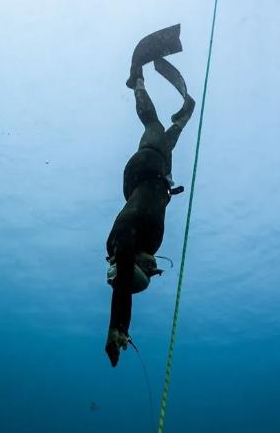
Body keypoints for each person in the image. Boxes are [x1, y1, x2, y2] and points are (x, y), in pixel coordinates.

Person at [104, 54, 196, 367]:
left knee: (152, 124)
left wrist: (117, 326)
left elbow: (124, 281)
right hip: (155, 176)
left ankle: (137, 79)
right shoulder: (135, 243)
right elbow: (126, 274)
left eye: (149, 269)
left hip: (144, 168)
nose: (155, 267)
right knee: (165, 141)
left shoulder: (128, 241)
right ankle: (184, 116)